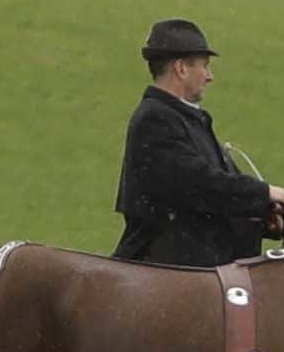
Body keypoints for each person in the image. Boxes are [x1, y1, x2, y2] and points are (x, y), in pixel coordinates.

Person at [112, 16, 274, 266]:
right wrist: (264, 194)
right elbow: (200, 184)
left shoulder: (183, 118)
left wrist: (266, 216)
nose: (210, 76)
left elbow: (215, 201)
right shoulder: (155, 119)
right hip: (171, 276)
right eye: (205, 65)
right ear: (181, 68)